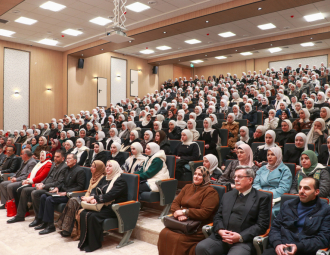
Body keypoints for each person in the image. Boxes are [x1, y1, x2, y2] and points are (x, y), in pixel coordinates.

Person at [195, 166, 271, 255]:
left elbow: (261, 225)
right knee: (201, 247)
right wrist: (220, 230)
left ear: (250, 180)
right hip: (221, 237)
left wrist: (240, 236)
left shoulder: (261, 198)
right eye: (235, 177)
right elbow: (218, 217)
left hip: (243, 240)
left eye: (240, 177)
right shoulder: (227, 195)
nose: (236, 179)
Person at [158, 167, 219, 255]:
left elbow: (204, 213)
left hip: (197, 226)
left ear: (205, 177)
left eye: (200, 175)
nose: (196, 177)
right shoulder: (187, 187)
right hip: (181, 222)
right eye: (195, 174)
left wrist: (185, 212)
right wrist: (179, 214)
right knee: (164, 233)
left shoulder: (211, 192)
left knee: (178, 239)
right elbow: (175, 203)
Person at [263, 177, 330, 255]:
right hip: (281, 247)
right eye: (300, 187)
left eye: (306, 188)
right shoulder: (288, 204)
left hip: (305, 250)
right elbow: (275, 227)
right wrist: (277, 244)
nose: (301, 191)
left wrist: (299, 247)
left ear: (316, 192)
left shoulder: (325, 210)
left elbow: (323, 238)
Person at [78, 160, 128, 252]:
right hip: (102, 205)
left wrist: (95, 198)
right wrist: (92, 198)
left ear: (116, 168)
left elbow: (110, 195)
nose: (107, 167)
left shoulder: (120, 181)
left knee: (92, 216)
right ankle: (85, 241)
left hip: (114, 208)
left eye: (110, 166)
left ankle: (94, 244)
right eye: (107, 166)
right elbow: (95, 189)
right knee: (83, 213)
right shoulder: (105, 178)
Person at [7, 150, 66, 224]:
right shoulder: (54, 165)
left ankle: (38, 218)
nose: (55, 158)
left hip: (51, 188)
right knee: (24, 190)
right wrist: (41, 183)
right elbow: (47, 177)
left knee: (35, 193)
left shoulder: (64, 167)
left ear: (63, 158)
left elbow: (58, 182)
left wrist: (44, 186)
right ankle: (20, 215)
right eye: (55, 156)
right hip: (45, 185)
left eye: (58, 157)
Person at [34, 153, 85, 235]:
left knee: (49, 199)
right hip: (61, 192)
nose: (67, 160)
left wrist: (66, 192)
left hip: (70, 195)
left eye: (69, 158)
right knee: (43, 196)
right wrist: (57, 188)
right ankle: (44, 222)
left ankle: (50, 226)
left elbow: (80, 187)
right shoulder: (67, 169)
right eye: (67, 158)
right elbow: (62, 183)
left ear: (75, 161)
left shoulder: (80, 171)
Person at [56, 160, 106, 237]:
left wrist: (87, 198)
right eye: (91, 166)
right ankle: (66, 228)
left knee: (73, 201)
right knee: (72, 200)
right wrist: (85, 197)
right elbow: (88, 191)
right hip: (86, 198)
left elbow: (97, 193)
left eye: (93, 167)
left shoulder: (103, 179)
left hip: (93, 201)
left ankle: (67, 229)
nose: (91, 168)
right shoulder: (93, 177)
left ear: (99, 168)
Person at [253, 147, 292, 216]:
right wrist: (260, 192)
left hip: (276, 198)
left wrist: (268, 194)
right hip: (259, 195)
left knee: (269, 211)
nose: (269, 157)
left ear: (278, 156)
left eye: (272, 154)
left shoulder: (285, 170)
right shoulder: (262, 168)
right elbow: (255, 183)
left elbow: (284, 188)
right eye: (268, 155)